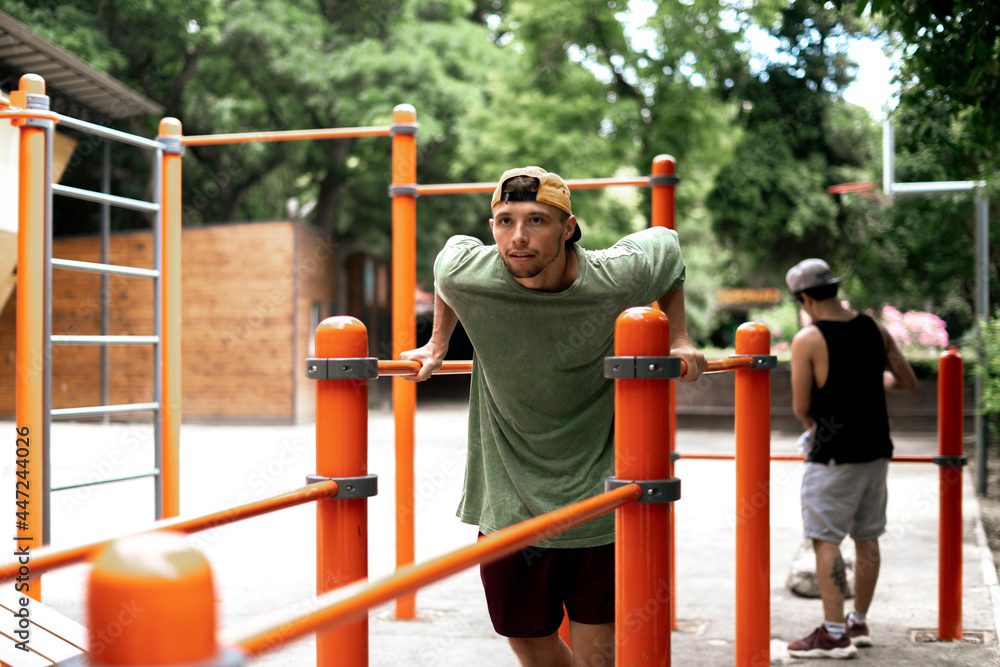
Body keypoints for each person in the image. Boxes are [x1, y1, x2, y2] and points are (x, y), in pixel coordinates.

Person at [401, 166, 706, 666]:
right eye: (504, 221)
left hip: (598, 503)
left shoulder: (612, 276)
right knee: (528, 642)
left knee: (598, 656)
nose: (517, 237)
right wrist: (437, 343)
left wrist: (679, 338)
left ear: (568, 228)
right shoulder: (472, 274)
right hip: (508, 505)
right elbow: (445, 266)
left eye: (537, 220)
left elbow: (668, 249)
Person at [784, 258, 918, 659]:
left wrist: (813, 428)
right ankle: (857, 620)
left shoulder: (808, 339)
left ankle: (833, 632)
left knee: (826, 540)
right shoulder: (875, 329)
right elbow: (907, 381)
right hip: (877, 452)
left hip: (833, 458)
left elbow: (801, 406)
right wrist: (867, 380)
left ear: (804, 298)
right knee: (867, 537)